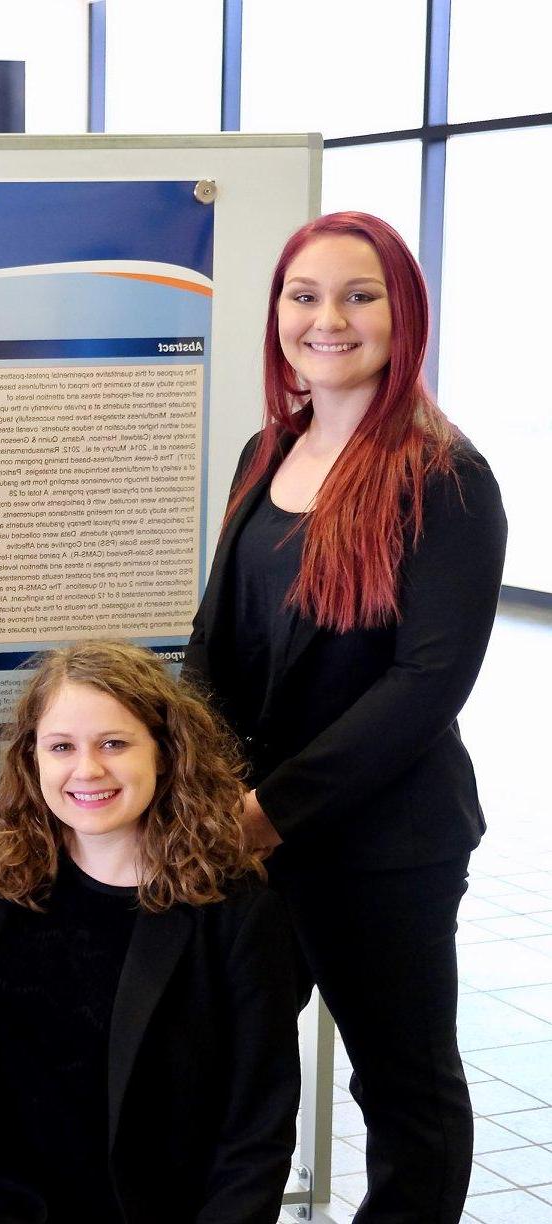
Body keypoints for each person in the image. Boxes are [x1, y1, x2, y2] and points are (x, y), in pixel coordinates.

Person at [184, 210, 508, 1223]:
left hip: (381, 845)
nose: (329, 318)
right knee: (227, 1076)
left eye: (359, 295)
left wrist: (270, 811)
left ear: (401, 311)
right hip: (251, 837)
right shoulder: (264, 450)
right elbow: (217, 644)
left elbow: (426, 686)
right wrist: (198, 790)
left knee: (403, 1088)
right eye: (305, 295)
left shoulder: (445, 478)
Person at [0, 640, 299, 1223]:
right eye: (61, 747)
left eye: (114, 744)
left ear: (167, 754)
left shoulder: (235, 913)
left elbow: (256, 1131)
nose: (87, 769)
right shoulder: (10, 870)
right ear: (32, 758)